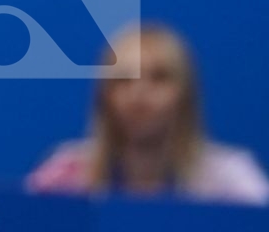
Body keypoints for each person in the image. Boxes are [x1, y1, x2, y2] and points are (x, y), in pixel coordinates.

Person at [28, 23, 269, 205]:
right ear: (104, 96)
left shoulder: (231, 183)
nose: (139, 94)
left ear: (185, 93)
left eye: (158, 77)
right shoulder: (63, 177)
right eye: (123, 80)